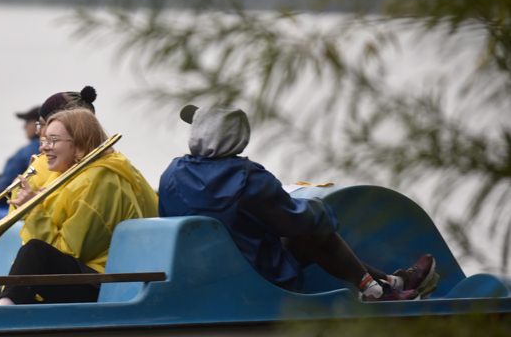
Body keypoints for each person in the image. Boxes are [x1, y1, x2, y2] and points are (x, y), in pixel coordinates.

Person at [156, 103, 436, 301]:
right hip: (252, 275)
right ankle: (379, 289)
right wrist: (318, 206)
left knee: (295, 236)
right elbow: (302, 220)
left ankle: (387, 285)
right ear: (238, 139)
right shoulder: (248, 179)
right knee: (307, 233)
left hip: (199, 273)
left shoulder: (171, 174)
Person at [0, 108, 159, 306]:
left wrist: (35, 210)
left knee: (35, 251)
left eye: (53, 140)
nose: (44, 148)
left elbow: (68, 252)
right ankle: (3, 310)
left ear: (79, 143)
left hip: (98, 282)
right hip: (65, 278)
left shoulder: (97, 182)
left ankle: (3, 318)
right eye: (44, 141)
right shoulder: (67, 174)